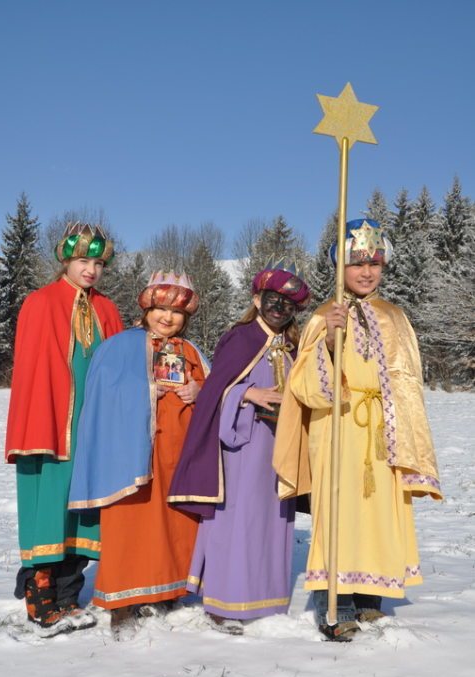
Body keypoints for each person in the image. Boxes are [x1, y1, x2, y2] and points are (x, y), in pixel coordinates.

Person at [274, 219, 442, 641]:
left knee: (380, 511)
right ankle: (337, 600)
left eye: (374, 264)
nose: (367, 272)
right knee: (340, 510)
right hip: (339, 425)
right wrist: (330, 343)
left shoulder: (395, 317)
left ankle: (372, 598)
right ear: (339, 267)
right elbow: (302, 385)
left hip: (382, 430)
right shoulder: (322, 316)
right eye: (357, 263)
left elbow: (407, 381)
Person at [168, 262, 311, 634]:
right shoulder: (242, 337)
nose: (279, 308)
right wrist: (249, 393)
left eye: (287, 304)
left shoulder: (291, 345)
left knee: (272, 520)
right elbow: (217, 389)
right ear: (257, 299)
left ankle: (265, 595)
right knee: (238, 521)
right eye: (272, 299)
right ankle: (222, 600)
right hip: (243, 445)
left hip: (278, 447)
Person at [68, 271, 209, 639]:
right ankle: (123, 600)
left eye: (176, 312)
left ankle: (167, 588)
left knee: (174, 523)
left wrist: (199, 389)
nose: (168, 317)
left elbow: (213, 390)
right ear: (146, 308)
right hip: (133, 455)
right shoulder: (121, 346)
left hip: (178, 454)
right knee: (133, 522)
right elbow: (103, 395)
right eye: (160, 308)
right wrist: (148, 390)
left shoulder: (190, 350)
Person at [5, 222, 123, 635]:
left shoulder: (107, 309)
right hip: (51, 424)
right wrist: (43, 417)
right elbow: (33, 372)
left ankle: (69, 594)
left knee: (83, 509)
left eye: (97, 263)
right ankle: (40, 595)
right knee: (49, 504)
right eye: (82, 261)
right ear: (66, 261)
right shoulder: (41, 302)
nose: (91, 270)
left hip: (91, 426)